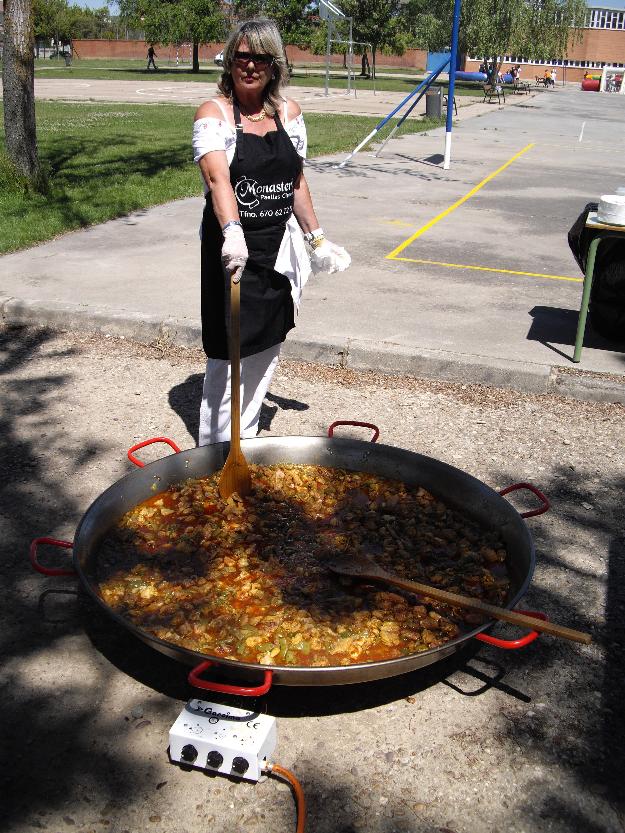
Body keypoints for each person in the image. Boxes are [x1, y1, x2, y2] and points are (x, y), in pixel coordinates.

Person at [192, 18, 351, 447]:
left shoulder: (288, 114)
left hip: (278, 250)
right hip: (233, 252)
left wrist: (316, 238)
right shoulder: (215, 114)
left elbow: (296, 181)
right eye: (242, 56)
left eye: (260, 57)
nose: (250, 65)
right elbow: (217, 179)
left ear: (274, 63)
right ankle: (215, 451)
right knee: (230, 354)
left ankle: (244, 436)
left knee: (266, 343)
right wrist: (231, 232)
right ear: (230, 61)